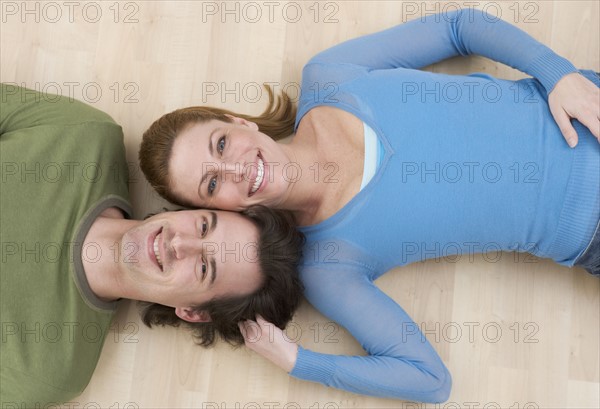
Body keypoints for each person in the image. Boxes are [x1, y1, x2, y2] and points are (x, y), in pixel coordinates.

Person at [139, 9, 600, 403]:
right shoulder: (328, 267)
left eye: (221, 144)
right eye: (213, 182)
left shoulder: (330, 75)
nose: (236, 169)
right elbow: (430, 380)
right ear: (222, 211)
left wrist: (558, 74)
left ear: (238, 122)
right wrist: (298, 361)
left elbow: (460, 26)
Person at [0, 83, 304, 406]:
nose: (180, 244)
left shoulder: (52, 368)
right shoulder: (86, 137)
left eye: (204, 267)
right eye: (203, 226)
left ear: (193, 312)